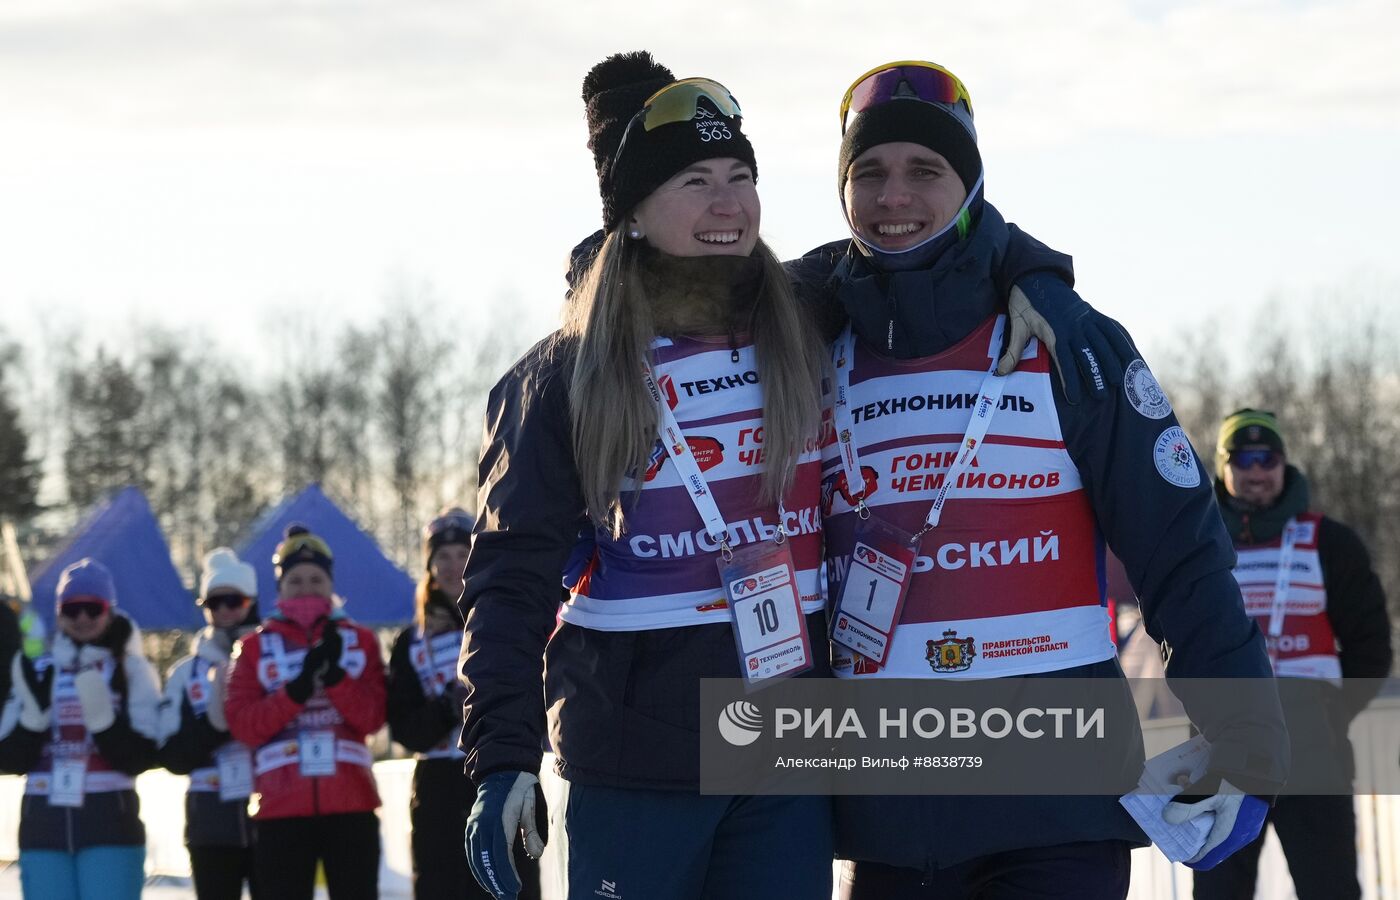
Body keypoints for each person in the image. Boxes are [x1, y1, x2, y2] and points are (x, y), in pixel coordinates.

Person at [813, 60, 1290, 899]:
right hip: (887, 813)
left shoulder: (1066, 342)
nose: (894, 198)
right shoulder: (808, 352)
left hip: (1055, 813)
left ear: (972, 186)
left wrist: (1245, 736)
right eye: (869, 174)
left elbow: (1179, 551)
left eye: (926, 172)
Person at [461, 51, 836, 900]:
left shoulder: (811, 313)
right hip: (638, 756)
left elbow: (931, 252)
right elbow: (510, 579)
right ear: (630, 215)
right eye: (695, 181)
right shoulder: (561, 377)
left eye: (740, 175)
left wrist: (1036, 274)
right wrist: (502, 755)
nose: (728, 202)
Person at [1192, 409, 1392, 900]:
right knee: (1219, 892)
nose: (1257, 471)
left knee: (1330, 887)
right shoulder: (1198, 545)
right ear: (1223, 467)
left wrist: (1327, 713)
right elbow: (1178, 637)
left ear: (1283, 465)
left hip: (1312, 757)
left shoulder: (1329, 542)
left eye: (1268, 459)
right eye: (1243, 459)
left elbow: (1371, 646)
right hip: (1224, 754)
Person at [225, 524, 387, 900]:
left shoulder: (360, 640)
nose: (306, 588)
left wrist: (335, 679)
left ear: (331, 584)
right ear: (279, 587)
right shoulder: (251, 648)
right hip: (279, 810)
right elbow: (244, 725)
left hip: (351, 804)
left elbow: (374, 717)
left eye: (316, 579)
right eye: (295, 580)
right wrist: (295, 692)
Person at [388, 508, 539, 899]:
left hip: (501, 767)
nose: (454, 566)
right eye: (443, 557)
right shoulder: (410, 641)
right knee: (441, 884)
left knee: (509, 883)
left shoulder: (505, 620)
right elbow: (404, 729)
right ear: (429, 566)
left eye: (462, 553)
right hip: (438, 785)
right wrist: (445, 707)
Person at [0, 558, 161, 900]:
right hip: (44, 829)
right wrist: (32, 721)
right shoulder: (38, 669)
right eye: (73, 610)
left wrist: (104, 724)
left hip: (110, 828)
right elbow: (9, 760)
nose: (83, 618)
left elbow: (144, 756)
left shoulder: (131, 669)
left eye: (93, 608)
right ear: (59, 614)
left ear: (110, 610)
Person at [158, 547, 262, 900]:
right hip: (211, 821)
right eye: (213, 604)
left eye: (234, 601)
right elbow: (171, 755)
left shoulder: (275, 658)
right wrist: (215, 727)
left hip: (272, 812)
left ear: (252, 601)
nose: (224, 612)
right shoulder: (186, 673)